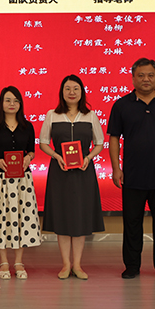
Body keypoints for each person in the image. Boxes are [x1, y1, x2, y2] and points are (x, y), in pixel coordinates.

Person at [108, 58, 155, 281]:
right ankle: (132, 266)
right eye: (141, 75)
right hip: (132, 176)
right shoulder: (121, 105)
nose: (146, 79)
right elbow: (114, 138)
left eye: (150, 75)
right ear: (133, 78)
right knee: (132, 223)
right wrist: (116, 168)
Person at [39, 75, 105, 280]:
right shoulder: (52, 115)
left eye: (76, 88)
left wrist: (88, 158)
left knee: (80, 217)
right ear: (62, 92)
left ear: (82, 92)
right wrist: (56, 156)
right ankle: (65, 265)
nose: (72, 92)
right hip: (60, 172)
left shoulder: (90, 116)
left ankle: (77, 265)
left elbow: (99, 143)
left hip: (83, 172)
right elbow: (43, 142)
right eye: (67, 88)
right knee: (63, 216)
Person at [0, 86, 41, 280]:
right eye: (8, 100)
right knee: (0, 219)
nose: (12, 104)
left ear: (20, 104)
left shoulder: (27, 126)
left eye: (16, 101)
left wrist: (29, 157)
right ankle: (3, 261)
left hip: (22, 180)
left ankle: (19, 262)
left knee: (21, 218)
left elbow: (32, 150)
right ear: (1, 103)